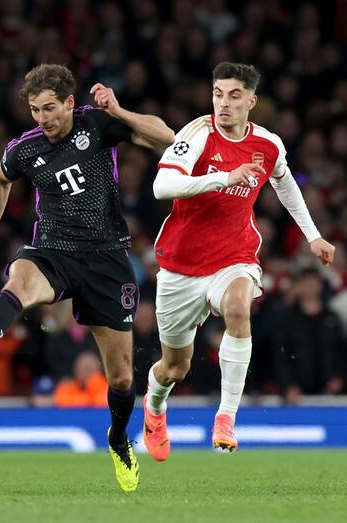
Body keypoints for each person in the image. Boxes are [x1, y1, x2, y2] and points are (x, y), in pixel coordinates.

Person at [0, 63, 175, 492]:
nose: (42, 119)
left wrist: (120, 111)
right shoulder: (25, 148)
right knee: (20, 282)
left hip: (107, 259)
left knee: (122, 378)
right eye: (34, 110)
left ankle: (119, 439)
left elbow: (167, 138)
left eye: (49, 108)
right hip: (53, 250)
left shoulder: (99, 124)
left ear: (70, 102)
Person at [143, 62, 335, 461]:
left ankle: (226, 418)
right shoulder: (196, 133)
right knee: (174, 368)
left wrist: (313, 235)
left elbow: (285, 185)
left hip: (234, 256)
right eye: (217, 93)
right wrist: (223, 178)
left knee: (237, 305)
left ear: (252, 101)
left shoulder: (268, 145)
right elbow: (162, 186)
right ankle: (155, 406)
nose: (223, 103)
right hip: (180, 265)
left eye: (233, 95)